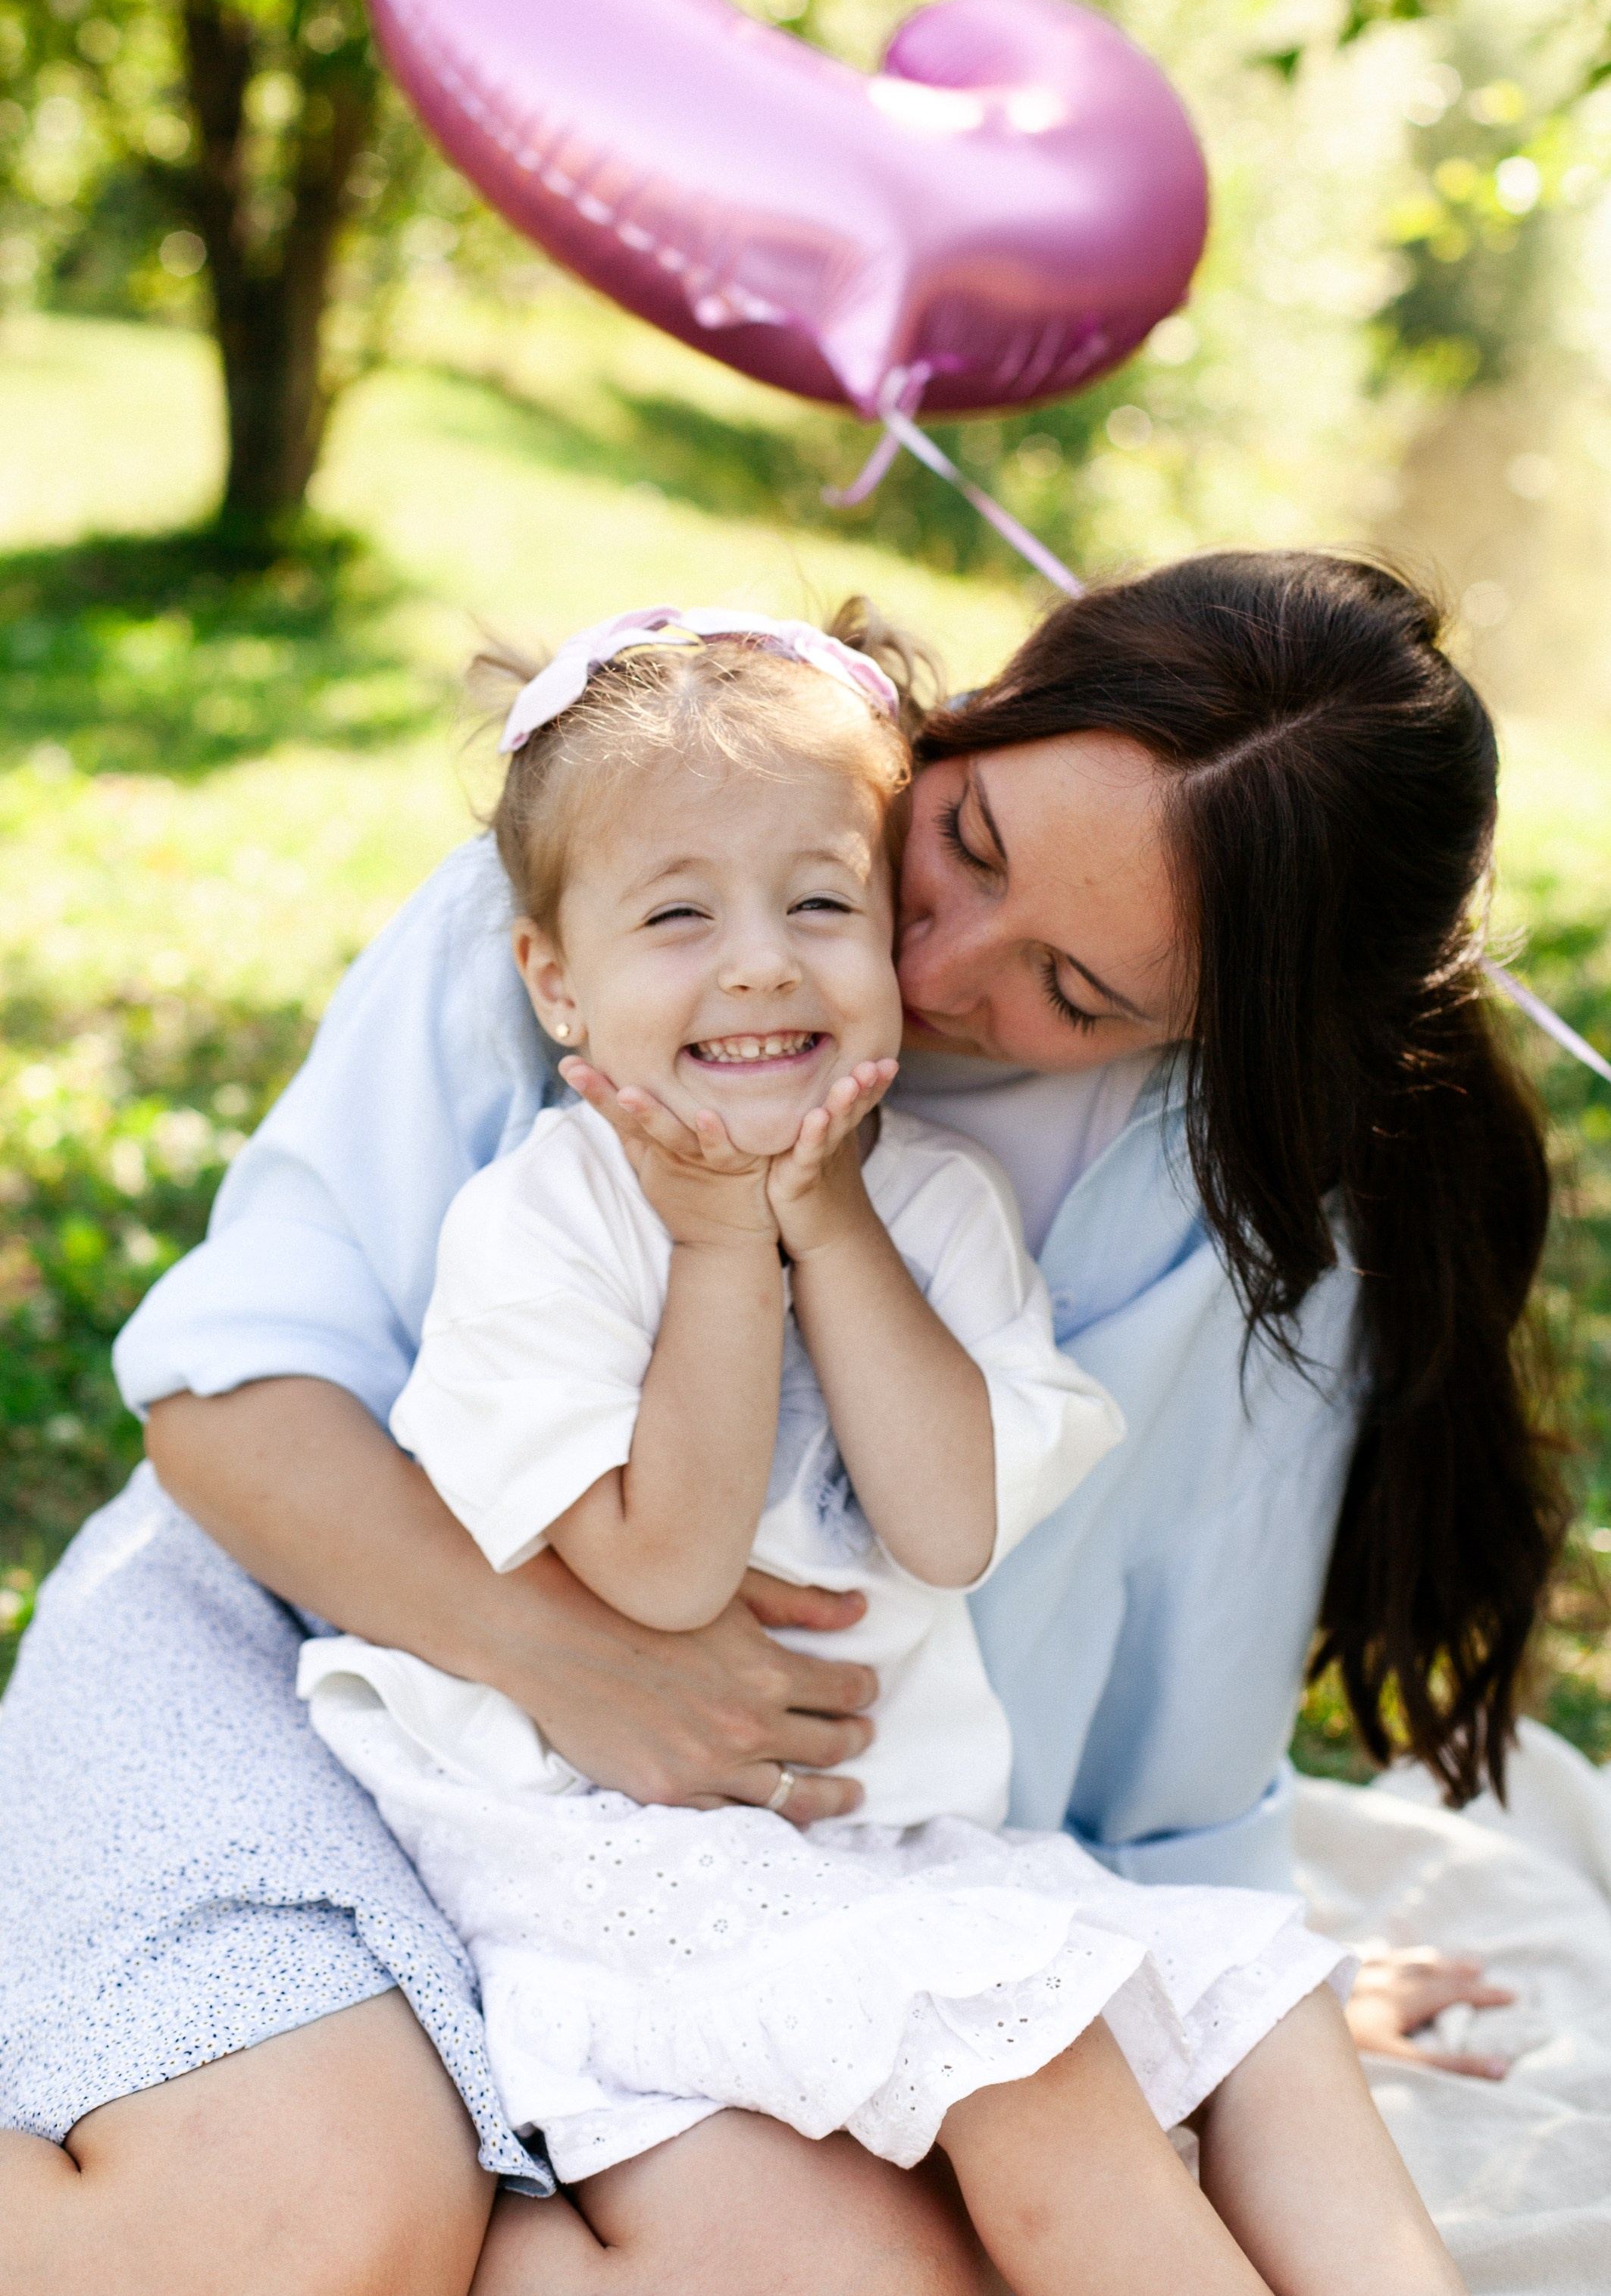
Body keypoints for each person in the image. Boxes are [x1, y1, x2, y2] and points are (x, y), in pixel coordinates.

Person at [0, 555, 1552, 2295]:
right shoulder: (640, 885)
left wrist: (1206, 1975)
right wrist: (567, 1653)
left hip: (725, 1859)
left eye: (1078, 989)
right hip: (301, 1651)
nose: (938, 956)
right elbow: (231, 1395)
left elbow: (1158, 1722)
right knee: (314, 2231)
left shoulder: (1244, 1229)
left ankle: (492, 2168)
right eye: (963, 843)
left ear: (1219, 1030)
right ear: (988, 707)